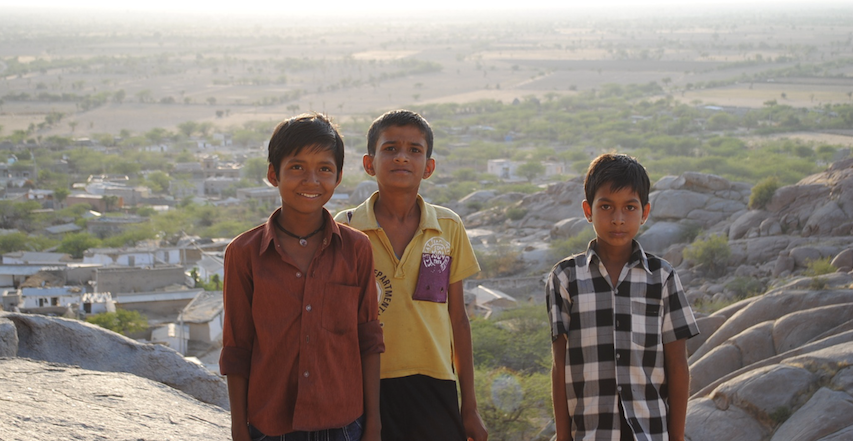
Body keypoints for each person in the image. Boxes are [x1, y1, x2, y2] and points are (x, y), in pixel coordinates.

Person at [220, 113, 384, 441]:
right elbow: (237, 347)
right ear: (273, 174)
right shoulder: (244, 253)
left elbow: (368, 338)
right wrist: (239, 428)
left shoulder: (356, 249)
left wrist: (374, 424)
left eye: (324, 169)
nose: (311, 180)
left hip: (343, 423)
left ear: (338, 177)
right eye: (297, 167)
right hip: (271, 426)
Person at [335, 109, 488, 441]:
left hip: (435, 382)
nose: (402, 157)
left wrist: (470, 407)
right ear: (369, 163)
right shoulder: (346, 229)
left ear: (428, 167)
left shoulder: (447, 227)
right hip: (365, 383)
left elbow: (458, 319)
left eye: (414, 150)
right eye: (390, 148)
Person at [546, 153, 700, 441]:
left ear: (645, 212)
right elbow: (560, 365)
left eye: (630, 207)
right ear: (588, 210)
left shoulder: (662, 277)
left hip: (649, 432)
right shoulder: (565, 278)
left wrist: (676, 438)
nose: (618, 219)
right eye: (606, 206)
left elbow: (678, 365)